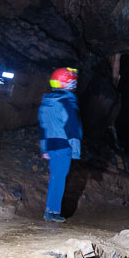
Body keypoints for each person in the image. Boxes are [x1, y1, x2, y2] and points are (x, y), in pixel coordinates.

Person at [39, 67, 82, 222]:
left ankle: (51, 210)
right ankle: (52, 212)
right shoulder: (67, 102)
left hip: (51, 145)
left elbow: (43, 126)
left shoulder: (46, 102)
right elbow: (72, 128)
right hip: (64, 145)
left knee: (55, 177)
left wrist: (44, 148)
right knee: (59, 178)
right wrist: (76, 151)